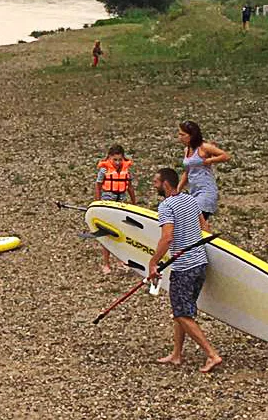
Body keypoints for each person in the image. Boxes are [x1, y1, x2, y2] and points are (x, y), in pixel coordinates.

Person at [148, 168, 222, 374]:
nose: (153, 186)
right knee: (180, 310)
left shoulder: (166, 206)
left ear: (165, 184)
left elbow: (167, 237)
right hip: (199, 263)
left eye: (155, 182)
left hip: (184, 266)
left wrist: (153, 262)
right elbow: (204, 227)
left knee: (181, 313)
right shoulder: (189, 199)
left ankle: (212, 355)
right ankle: (177, 354)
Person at [177, 120, 231, 233]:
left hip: (206, 191)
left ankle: (203, 243)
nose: (180, 137)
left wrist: (210, 160)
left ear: (191, 135)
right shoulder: (187, 150)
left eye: (183, 134)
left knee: (195, 221)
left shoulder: (204, 147)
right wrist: (178, 189)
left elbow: (225, 156)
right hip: (194, 191)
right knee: (197, 223)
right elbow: (187, 172)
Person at [94, 144, 138, 274]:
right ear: (109, 158)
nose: (118, 162)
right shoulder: (104, 171)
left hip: (121, 201)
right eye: (115, 160)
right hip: (108, 201)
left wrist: (134, 202)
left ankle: (120, 260)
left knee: (121, 231)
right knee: (107, 232)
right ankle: (106, 264)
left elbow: (129, 187)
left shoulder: (126, 170)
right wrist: (97, 203)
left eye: (120, 159)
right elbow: (98, 186)